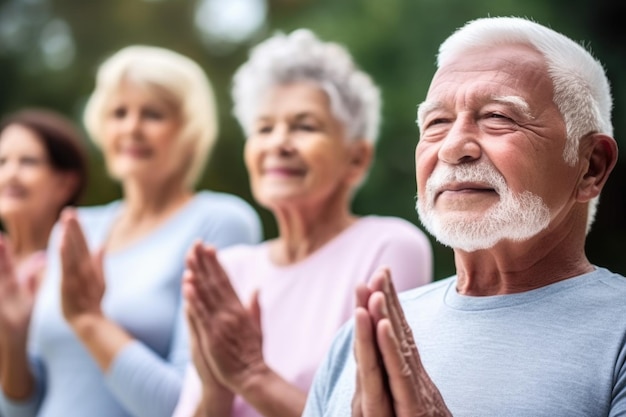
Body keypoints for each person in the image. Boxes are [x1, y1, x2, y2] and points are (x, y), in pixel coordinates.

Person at [301, 16, 626, 417]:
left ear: (591, 166)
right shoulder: (362, 337)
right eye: (436, 122)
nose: (453, 148)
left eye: (498, 117)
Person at [172, 29, 433, 417]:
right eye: (263, 128)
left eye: (304, 126)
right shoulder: (228, 270)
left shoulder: (388, 246)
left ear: (356, 158)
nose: (278, 143)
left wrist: (252, 377)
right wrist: (216, 387)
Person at [0, 46, 262, 417]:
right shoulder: (76, 229)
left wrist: (91, 322)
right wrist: (10, 337)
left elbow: (185, 406)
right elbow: (19, 411)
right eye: (119, 113)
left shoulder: (218, 221)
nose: (131, 128)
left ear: (189, 129)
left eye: (152, 114)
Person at [0, 108, 88, 285]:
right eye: (2, 162)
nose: (10, 174)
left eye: (28, 161)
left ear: (66, 184)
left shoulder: (72, 271)